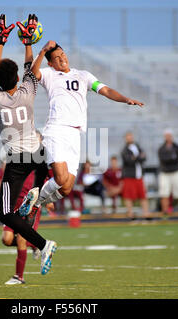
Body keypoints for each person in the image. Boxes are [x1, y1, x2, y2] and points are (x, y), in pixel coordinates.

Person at [19, 39, 144, 218]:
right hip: (56, 130)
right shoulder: (49, 74)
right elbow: (32, 74)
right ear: (50, 63)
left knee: (67, 188)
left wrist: (126, 99)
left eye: (63, 55)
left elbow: (106, 90)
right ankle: (34, 200)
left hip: (75, 134)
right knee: (61, 179)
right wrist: (42, 50)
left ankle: (35, 202)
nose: (62, 59)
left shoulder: (84, 75)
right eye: (57, 57)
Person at [0, 14, 56, 275]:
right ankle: (36, 194)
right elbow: (30, 70)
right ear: (17, 80)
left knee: (4, 214)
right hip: (38, 153)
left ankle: (43, 243)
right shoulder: (27, 93)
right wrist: (29, 43)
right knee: (37, 180)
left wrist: (1, 39)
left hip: (17, 159)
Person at [157, 129, 178, 218]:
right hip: (165, 173)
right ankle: (165, 212)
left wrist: (171, 159)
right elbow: (163, 160)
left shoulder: (177, 147)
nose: (168, 137)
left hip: (176, 172)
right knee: (164, 194)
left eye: (169, 136)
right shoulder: (162, 148)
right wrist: (172, 158)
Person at [121, 132, 150, 219]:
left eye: (131, 136)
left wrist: (135, 157)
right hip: (129, 176)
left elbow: (144, 157)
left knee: (143, 195)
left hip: (139, 176)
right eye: (128, 137)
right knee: (129, 196)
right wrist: (138, 157)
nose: (130, 138)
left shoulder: (138, 147)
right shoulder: (124, 150)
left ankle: (146, 213)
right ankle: (130, 213)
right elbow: (129, 160)